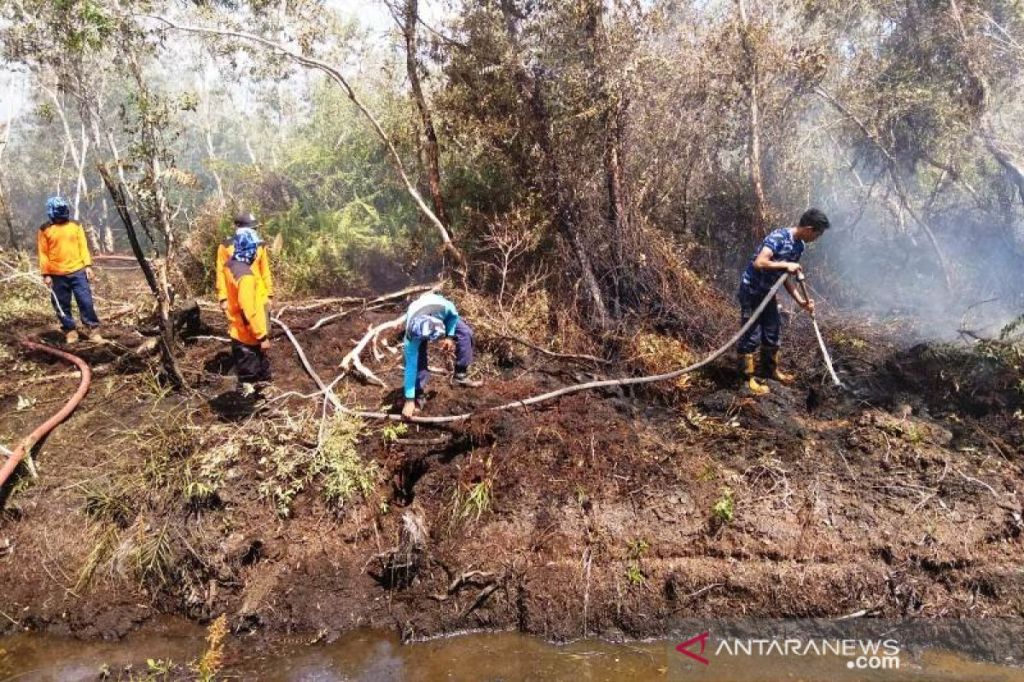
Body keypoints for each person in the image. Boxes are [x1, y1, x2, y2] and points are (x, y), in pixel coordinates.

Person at [736, 208, 830, 395]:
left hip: (768, 293)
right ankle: (746, 381)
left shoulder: (799, 246)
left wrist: (802, 302)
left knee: (772, 330)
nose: (817, 238)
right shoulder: (778, 237)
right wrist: (786, 264)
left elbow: (784, 278)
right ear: (809, 228)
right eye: (818, 234)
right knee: (751, 334)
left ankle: (769, 371)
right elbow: (760, 263)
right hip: (752, 290)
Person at [401, 293, 482, 419]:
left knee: (466, 333)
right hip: (418, 315)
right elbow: (410, 367)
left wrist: (449, 336)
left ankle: (460, 375)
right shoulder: (412, 335)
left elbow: (453, 316)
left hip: (440, 313)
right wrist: (409, 399)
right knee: (418, 357)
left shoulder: (445, 307)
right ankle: (418, 393)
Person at [37, 196, 103, 344]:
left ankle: (93, 330)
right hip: (56, 275)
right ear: (52, 213)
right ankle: (70, 331)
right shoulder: (44, 229)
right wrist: (46, 274)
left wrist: (88, 266)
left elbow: (83, 247)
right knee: (61, 305)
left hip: (78, 271)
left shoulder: (76, 225)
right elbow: (43, 254)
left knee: (86, 302)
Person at [222, 228, 272, 390]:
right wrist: (262, 337)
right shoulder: (247, 277)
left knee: (252, 375)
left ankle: (257, 404)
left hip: (237, 331)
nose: (257, 252)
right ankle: (247, 411)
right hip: (248, 337)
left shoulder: (231, 265)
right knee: (251, 379)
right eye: (254, 248)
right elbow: (247, 311)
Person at [216, 212, 273, 314]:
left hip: (259, 298)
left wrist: (269, 295)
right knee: (239, 329)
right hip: (235, 300)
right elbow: (221, 273)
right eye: (252, 229)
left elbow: (265, 271)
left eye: (255, 229)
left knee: (262, 329)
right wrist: (223, 298)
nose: (254, 232)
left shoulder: (260, 246)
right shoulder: (225, 247)